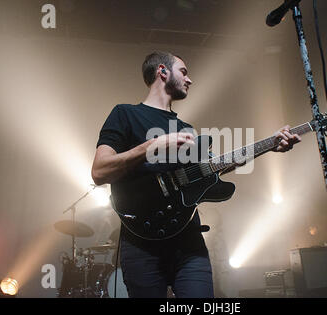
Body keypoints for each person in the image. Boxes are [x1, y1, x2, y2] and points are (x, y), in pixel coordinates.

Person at [91, 51, 301, 298]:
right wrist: (150, 146)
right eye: (184, 71)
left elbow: (211, 169)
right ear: (162, 71)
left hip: (188, 242)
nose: (189, 80)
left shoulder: (186, 130)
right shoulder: (125, 114)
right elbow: (99, 171)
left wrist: (268, 146)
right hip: (141, 244)